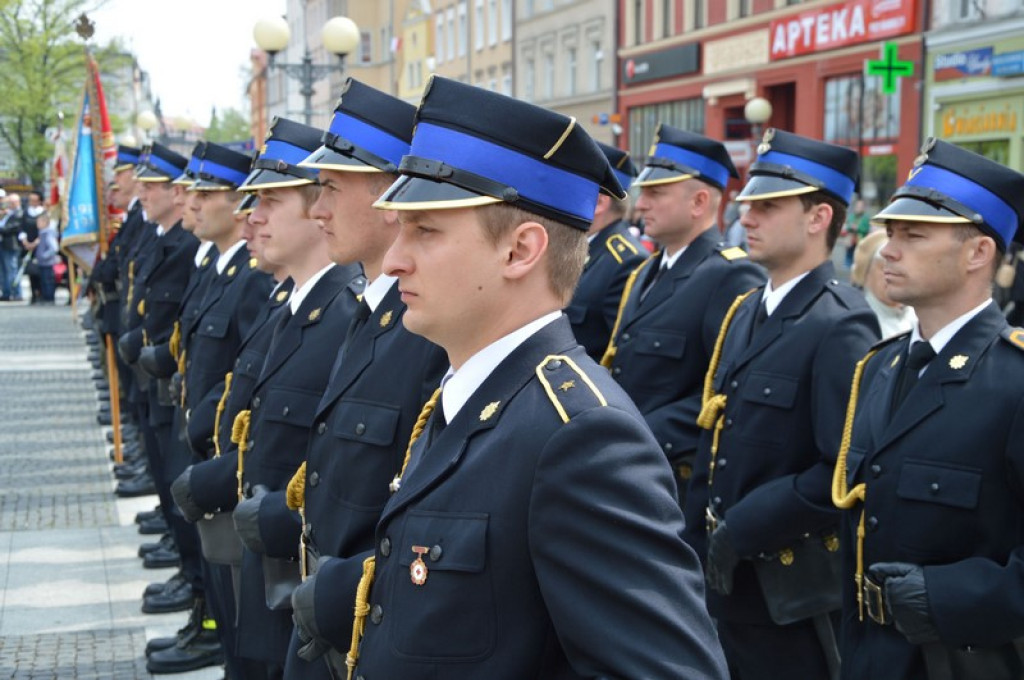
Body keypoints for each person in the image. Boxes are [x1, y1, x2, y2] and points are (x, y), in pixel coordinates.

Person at [334, 75, 728, 679]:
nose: (394, 260)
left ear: (520, 251)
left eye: (425, 230)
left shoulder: (581, 438)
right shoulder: (469, 395)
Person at [683, 128, 880, 679]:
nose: (746, 217)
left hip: (785, 592)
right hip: (723, 580)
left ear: (819, 218)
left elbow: (843, 470)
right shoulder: (746, 310)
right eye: (749, 205)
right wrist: (693, 540)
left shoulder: (840, 323)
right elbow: (714, 433)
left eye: (767, 207)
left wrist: (746, 526)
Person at [832, 138, 1024, 679]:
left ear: (977, 253)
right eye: (890, 233)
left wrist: (948, 595)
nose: (887, 250)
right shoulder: (880, 365)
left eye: (913, 235)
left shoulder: (1014, 379)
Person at [282, 78, 448, 679]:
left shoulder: (425, 330)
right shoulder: (371, 312)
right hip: (326, 610)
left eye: (330, 188)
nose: (316, 209)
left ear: (389, 195)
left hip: (366, 623)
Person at [600, 125, 764, 504]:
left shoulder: (730, 275)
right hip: (625, 465)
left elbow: (725, 394)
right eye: (643, 193)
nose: (641, 205)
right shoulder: (646, 272)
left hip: (674, 480)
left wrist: (640, 433)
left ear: (699, 202)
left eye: (656, 193)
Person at [564, 142, 646, 360]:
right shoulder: (578, 246)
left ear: (600, 202)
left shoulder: (627, 261)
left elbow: (619, 354)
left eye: (570, 189)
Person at [850, 229, 915, 338]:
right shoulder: (858, 322)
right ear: (866, 274)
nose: (892, 274)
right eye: (884, 267)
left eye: (900, 268)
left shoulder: (920, 317)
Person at [842, 197, 871, 268]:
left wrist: (858, 228)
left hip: (860, 240)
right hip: (850, 240)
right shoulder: (851, 216)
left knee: (857, 256)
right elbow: (847, 226)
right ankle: (847, 267)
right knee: (849, 255)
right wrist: (850, 227)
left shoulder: (866, 218)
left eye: (860, 207)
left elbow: (866, 229)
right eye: (857, 206)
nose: (858, 208)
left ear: (863, 208)